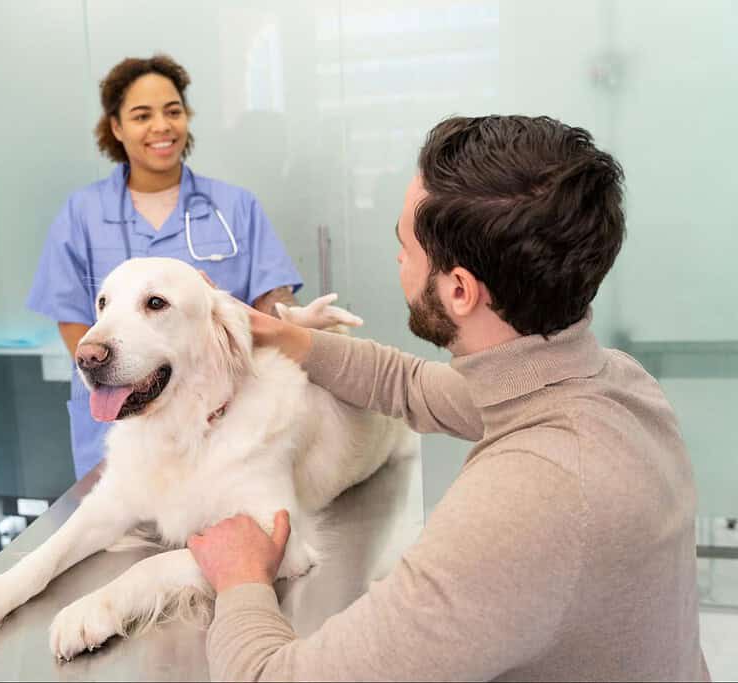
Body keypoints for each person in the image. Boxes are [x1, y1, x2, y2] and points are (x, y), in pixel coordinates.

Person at [187, 115, 709, 681]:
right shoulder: (611, 381)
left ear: (459, 290)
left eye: (404, 247)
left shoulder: (527, 504)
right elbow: (411, 387)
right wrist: (289, 338)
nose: (397, 262)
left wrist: (241, 579)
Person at [27, 55, 303, 479]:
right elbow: (73, 322)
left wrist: (294, 329)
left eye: (173, 112)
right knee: (121, 535)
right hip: (123, 422)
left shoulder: (234, 206)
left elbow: (274, 306)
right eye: (142, 115)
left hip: (225, 424)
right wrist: (123, 385)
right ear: (116, 127)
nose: (162, 126)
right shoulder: (82, 213)